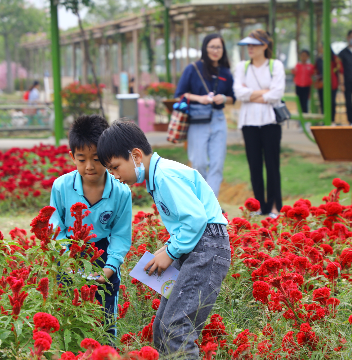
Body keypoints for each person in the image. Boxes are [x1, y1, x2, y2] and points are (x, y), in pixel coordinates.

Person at [97, 121, 230, 360]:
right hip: (197, 247)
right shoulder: (158, 176)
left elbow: (196, 220)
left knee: (176, 328)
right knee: (162, 328)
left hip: (207, 248)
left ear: (135, 155)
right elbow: (188, 222)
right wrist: (169, 248)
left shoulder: (165, 176)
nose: (115, 176)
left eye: (115, 167)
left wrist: (171, 252)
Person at [49, 115, 132, 336]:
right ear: (72, 157)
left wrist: (110, 267)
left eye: (96, 158)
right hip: (69, 252)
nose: (89, 166)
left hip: (103, 253)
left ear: (107, 156)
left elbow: (121, 235)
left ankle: (106, 349)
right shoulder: (61, 187)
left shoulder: (121, 191)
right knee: (68, 314)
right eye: (81, 159)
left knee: (105, 316)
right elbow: (56, 227)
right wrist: (66, 258)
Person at [173, 33, 236, 198]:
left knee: (217, 164)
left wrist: (224, 98)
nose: (216, 51)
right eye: (212, 47)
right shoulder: (193, 69)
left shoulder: (226, 72)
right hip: (197, 119)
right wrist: (199, 98)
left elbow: (232, 98)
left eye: (219, 47)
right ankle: (201, 198)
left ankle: (210, 204)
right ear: (205, 48)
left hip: (218, 118)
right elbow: (179, 94)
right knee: (199, 162)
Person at [233, 29, 286, 218]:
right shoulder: (242, 67)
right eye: (248, 45)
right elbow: (239, 93)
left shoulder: (275, 65)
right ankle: (259, 207)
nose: (250, 48)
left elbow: (277, 94)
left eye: (254, 44)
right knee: (254, 165)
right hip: (249, 123)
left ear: (265, 45)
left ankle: (274, 207)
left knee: (272, 165)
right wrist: (264, 92)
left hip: (270, 121)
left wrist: (251, 94)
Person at [315, 45, 341, 124]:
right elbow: (315, 70)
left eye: (322, 47)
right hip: (322, 84)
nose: (320, 49)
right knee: (323, 102)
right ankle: (324, 119)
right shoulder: (319, 60)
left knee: (332, 102)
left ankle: (332, 120)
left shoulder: (334, 59)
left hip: (332, 84)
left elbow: (339, 69)